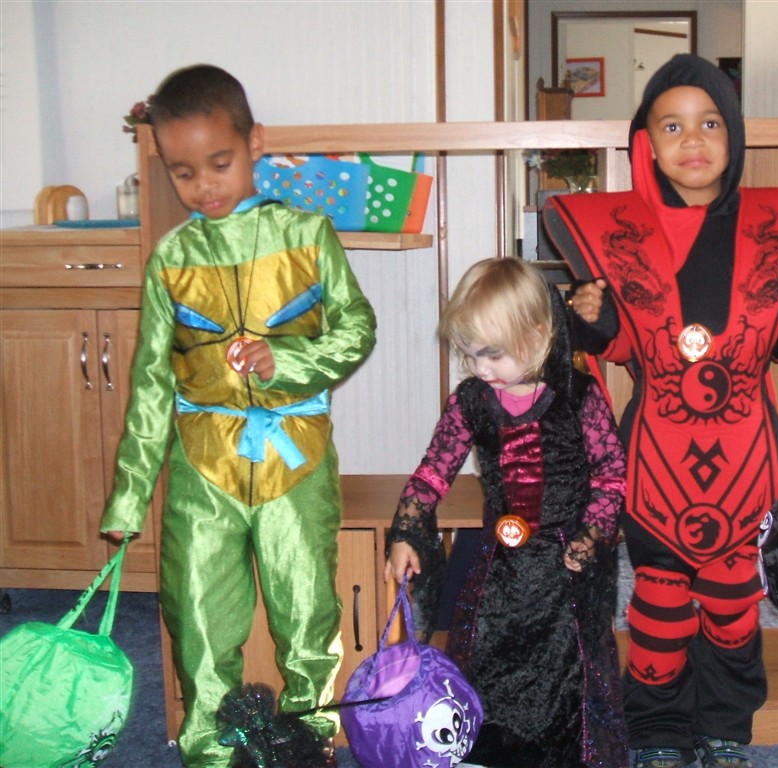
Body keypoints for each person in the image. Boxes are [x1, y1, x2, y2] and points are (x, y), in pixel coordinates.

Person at [542, 54, 778, 768]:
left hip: (746, 464)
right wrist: (589, 318)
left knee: (732, 610)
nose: (692, 140)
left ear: (734, 136)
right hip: (654, 466)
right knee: (659, 611)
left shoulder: (769, 231)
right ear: (647, 143)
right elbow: (614, 343)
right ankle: (657, 733)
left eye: (709, 123)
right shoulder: (620, 236)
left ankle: (726, 727)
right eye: (672, 126)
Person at [99, 64, 377, 767]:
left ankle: (310, 744)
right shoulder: (171, 258)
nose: (204, 186)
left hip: (295, 459)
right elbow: (151, 382)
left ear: (255, 143)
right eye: (183, 172)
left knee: (307, 614)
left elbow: (356, 328)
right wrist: (130, 495)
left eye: (219, 164)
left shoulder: (307, 234)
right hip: (203, 467)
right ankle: (209, 753)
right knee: (197, 618)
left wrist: (287, 361)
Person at [385, 257, 630, 767]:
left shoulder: (577, 397)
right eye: (469, 354)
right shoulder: (471, 402)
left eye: (491, 354)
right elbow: (434, 470)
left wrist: (590, 534)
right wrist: (406, 529)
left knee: (566, 673)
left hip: (565, 570)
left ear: (537, 335)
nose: (479, 369)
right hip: (501, 568)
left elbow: (611, 475)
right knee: (491, 659)